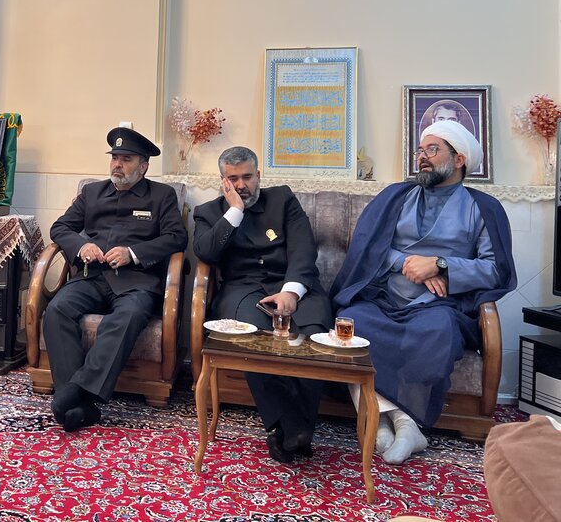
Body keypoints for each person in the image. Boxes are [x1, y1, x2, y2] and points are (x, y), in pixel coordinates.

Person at [331, 120, 516, 464]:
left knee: (437, 332)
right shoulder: (395, 197)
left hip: (439, 305)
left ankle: (393, 423)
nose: (422, 157)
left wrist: (441, 265)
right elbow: (366, 247)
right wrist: (405, 262)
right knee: (351, 323)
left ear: (459, 159)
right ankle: (396, 422)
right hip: (384, 298)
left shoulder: (483, 208)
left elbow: (495, 268)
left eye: (433, 149)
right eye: (420, 150)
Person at [193, 146, 332, 463]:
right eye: (233, 179)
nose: (241, 185)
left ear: (259, 175)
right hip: (242, 290)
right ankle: (291, 428)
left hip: (292, 284)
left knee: (313, 335)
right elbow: (206, 252)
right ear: (223, 180)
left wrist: (291, 292)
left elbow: (303, 250)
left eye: (247, 177)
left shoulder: (283, 199)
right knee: (249, 336)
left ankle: (290, 429)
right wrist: (235, 211)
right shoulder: (209, 212)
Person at [44, 127, 187, 431]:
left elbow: (177, 237)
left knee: (128, 315)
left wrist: (133, 253)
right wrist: (81, 246)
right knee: (57, 309)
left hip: (137, 281)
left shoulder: (162, 196)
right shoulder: (92, 193)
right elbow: (60, 228)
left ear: (143, 166)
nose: (117, 165)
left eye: (126, 159)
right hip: (93, 277)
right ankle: (79, 406)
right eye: (114, 158)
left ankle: (77, 390)